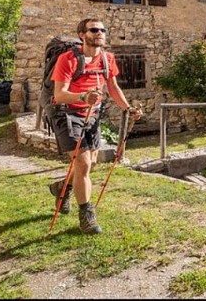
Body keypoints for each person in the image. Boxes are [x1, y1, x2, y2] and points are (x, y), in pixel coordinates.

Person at [47, 17, 142, 234]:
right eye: (94, 30)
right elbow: (59, 94)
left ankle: (62, 187)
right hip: (68, 114)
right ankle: (87, 216)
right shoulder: (68, 59)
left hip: (93, 115)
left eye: (102, 30)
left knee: (90, 163)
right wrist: (83, 96)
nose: (99, 33)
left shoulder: (108, 59)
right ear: (82, 34)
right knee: (83, 165)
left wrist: (128, 109)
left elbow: (113, 87)